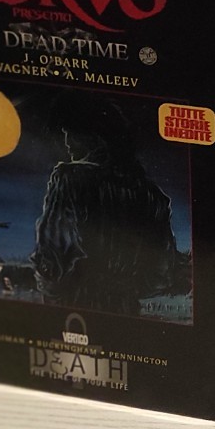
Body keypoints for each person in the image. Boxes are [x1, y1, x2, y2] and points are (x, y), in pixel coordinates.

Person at [30, 99, 181, 316]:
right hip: (126, 307)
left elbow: (52, 251)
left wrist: (54, 293)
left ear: (95, 137)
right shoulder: (152, 195)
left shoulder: (70, 178)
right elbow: (161, 271)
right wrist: (126, 289)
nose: (67, 143)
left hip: (77, 301)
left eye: (71, 134)